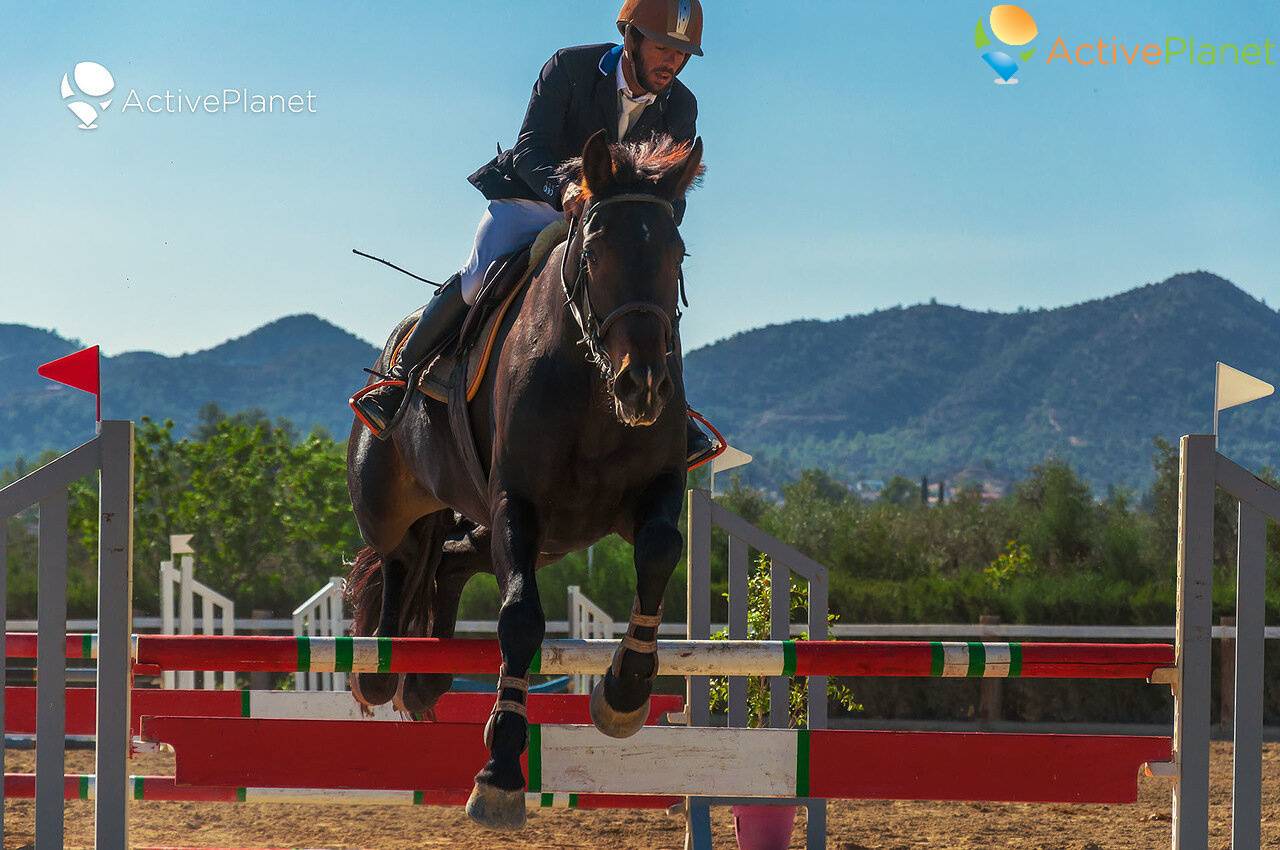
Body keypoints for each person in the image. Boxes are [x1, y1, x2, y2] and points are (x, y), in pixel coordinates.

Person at [352, 0, 715, 465]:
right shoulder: (570, 68)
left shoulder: (682, 105)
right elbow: (530, 149)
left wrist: (653, 227)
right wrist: (563, 188)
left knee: (648, 291)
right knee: (477, 277)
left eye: (681, 53)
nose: (672, 62)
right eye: (664, 47)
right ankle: (399, 379)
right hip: (534, 202)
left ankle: (673, 413)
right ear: (632, 36)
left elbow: (671, 192)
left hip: (609, 226)